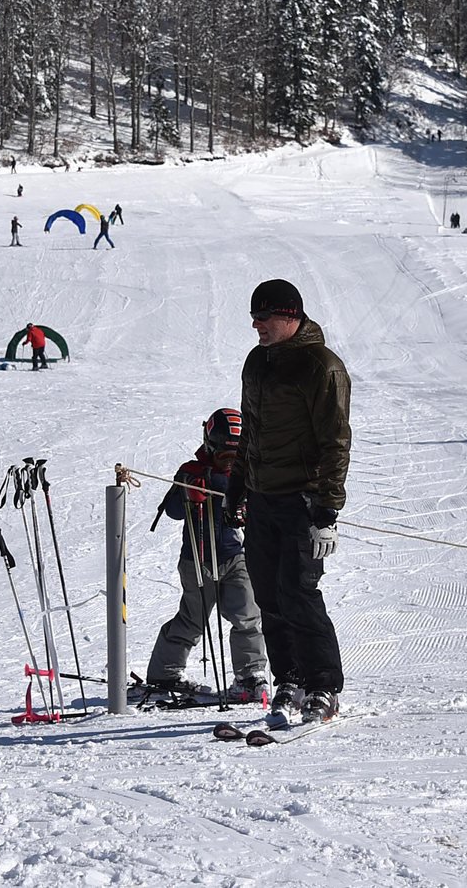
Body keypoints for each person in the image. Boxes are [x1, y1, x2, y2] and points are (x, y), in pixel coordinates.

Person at [229, 278, 350, 724]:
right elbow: (251, 432)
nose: (256, 325)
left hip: (302, 499)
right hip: (262, 498)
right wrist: (236, 487)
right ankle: (291, 681)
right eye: (254, 317)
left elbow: (335, 441)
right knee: (267, 595)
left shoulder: (321, 366)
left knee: (298, 593)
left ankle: (324, 687)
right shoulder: (257, 362)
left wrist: (326, 510)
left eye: (263, 317)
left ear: (290, 317)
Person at [145, 408, 270, 701]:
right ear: (210, 444)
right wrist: (188, 493)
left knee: (247, 615)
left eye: (235, 455)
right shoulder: (192, 471)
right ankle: (165, 671)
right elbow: (174, 512)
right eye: (225, 453)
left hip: (235, 555)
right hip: (197, 559)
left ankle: (250, 675)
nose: (230, 461)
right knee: (193, 618)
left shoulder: (247, 475)